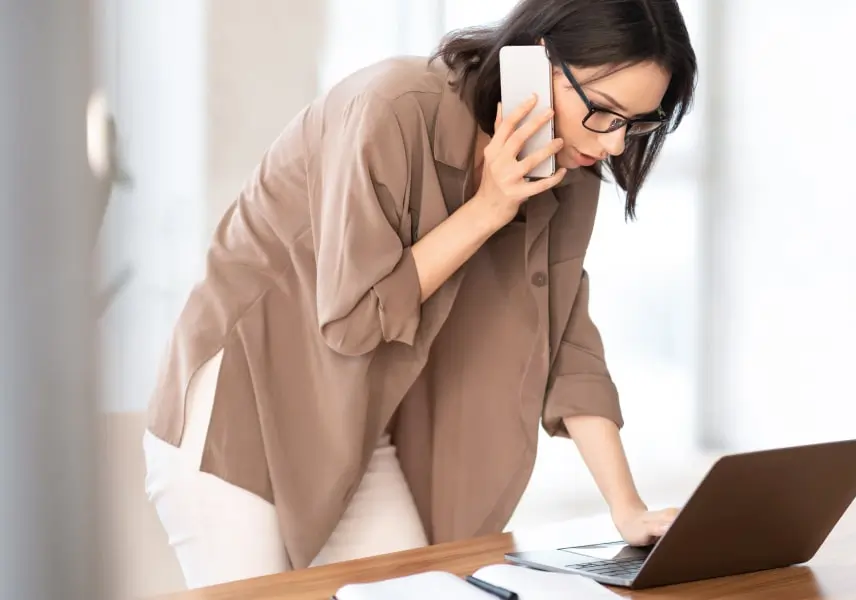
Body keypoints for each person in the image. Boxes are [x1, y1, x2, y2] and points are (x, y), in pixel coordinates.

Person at [141, 0, 697, 589]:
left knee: (422, 588)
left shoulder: (567, 170)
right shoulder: (391, 109)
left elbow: (567, 342)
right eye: (604, 113)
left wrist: (627, 507)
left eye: (636, 124)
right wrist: (489, 207)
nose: (613, 146)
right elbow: (352, 317)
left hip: (357, 417)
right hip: (241, 410)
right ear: (537, 59)